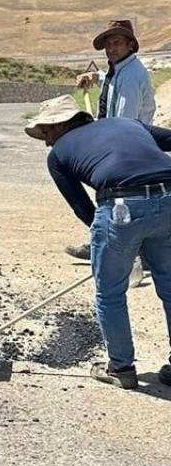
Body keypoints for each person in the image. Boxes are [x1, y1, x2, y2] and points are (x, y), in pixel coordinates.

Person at [25, 95, 171, 389]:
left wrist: (115, 247)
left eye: (46, 132)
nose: (46, 141)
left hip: (121, 207)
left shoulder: (58, 155)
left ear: (61, 124)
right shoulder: (128, 124)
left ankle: (121, 368)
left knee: (110, 292)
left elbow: (83, 209)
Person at [66, 20, 158, 260]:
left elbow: (124, 122)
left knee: (116, 200)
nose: (111, 48)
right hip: (120, 144)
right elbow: (108, 77)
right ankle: (111, 243)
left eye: (117, 42)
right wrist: (93, 76)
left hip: (125, 147)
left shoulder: (130, 77)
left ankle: (107, 245)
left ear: (130, 45)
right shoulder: (120, 69)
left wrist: (103, 145)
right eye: (108, 44)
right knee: (119, 202)